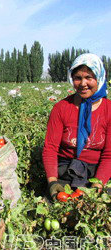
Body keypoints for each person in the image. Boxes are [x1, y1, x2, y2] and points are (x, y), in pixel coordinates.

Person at [43, 53, 111, 201]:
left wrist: (97, 187)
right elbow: (50, 149)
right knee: (54, 205)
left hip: (98, 172)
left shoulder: (108, 110)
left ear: (99, 78)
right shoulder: (61, 108)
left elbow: (109, 155)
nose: (82, 83)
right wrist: (53, 182)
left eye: (89, 77)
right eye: (77, 78)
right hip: (67, 170)